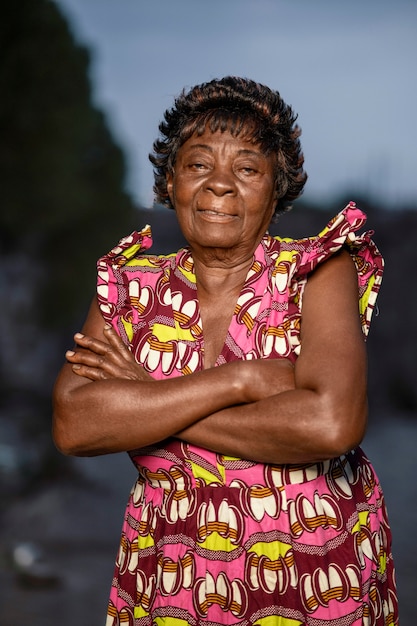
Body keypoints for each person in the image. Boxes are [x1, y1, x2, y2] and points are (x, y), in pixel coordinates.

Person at [53, 76, 398, 626]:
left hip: (314, 572)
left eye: (247, 168)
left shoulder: (318, 272)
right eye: (197, 165)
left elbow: (331, 423)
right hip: (168, 567)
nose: (220, 186)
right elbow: (76, 425)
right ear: (170, 181)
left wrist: (149, 401)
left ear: (275, 189)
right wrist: (238, 382)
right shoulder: (128, 287)